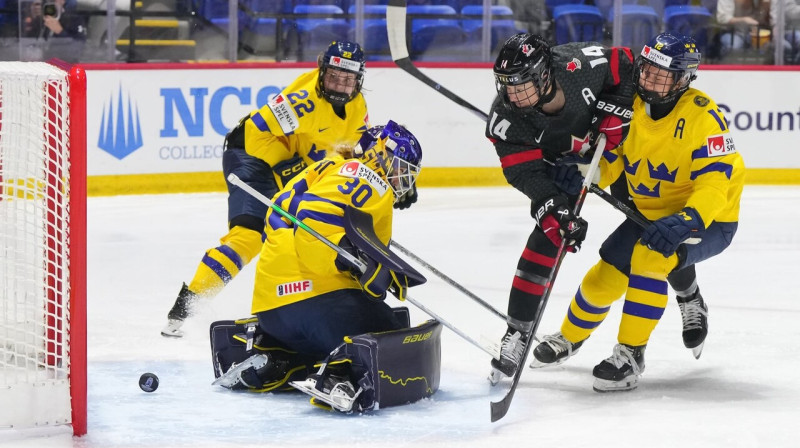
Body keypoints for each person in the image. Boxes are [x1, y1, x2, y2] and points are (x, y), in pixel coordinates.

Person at [530, 33, 745, 392]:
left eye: (662, 76)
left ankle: (631, 354)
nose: (650, 80)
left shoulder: (703, 116)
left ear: (683, 79)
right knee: (605, 274)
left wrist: (689, 219)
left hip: (711, 219)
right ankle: (568, 338)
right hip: (649, 212)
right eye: (648, 71)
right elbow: (610, 163)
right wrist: (581, 172)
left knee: (650, 256)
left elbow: (715, 184)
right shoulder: (627, 107)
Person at [162, 41, 389, 337]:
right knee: (248, 238)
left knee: (302, 232)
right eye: (333, 76)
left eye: (347, 80)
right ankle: (186, 307)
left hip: (288, 167)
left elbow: (355, 151)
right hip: (252, 158)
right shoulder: (302, 100)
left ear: (358, 80)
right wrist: (296, 170)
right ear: (322, 72)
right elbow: (257, 132)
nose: (339, 85)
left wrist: (389, 176)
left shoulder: (357, 106)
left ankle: (302, 304)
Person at [211, 121, 428, 413]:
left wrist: (376, 265)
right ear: (378, 154)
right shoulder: (366, 176)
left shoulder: (329, 166)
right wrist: (348, 257)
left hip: (272, 309)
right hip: (318, 303)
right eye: (400, 167)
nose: (403, 178)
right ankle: (338, 376)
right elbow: (314, 217)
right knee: (387, 328)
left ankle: (276, 356)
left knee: (365, 316)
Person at [485, 33, 638, 384]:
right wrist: (552, 208)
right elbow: (525, 172)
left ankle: (689, 294)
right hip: (567, 166)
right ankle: (517, 333)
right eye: (507, 86)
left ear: (544, 74)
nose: (513, 95)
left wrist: (615, 107)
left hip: (620, 149)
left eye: (522, 85)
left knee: (648, 224)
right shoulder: (506, 119)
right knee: (549, 234)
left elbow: (628, 64)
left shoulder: (578, 64)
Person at [22, 0, 86, 41]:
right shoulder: (38, 20)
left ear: (63, 1)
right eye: (47, 0)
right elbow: (23, 42)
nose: (50, 3)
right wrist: (33, 17)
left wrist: (60, 31)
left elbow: (79, 45)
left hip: (63, 60)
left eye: (54, 0)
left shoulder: (74, 19)